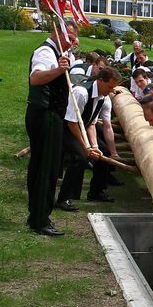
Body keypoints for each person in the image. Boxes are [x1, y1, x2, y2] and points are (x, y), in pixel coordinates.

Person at [25, 21, 77, 236]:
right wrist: (58, 69)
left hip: (51, 114)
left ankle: (37, 215)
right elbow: (36, 78)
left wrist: (67, 56)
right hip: (45, 115)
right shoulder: (46, 52)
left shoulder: (60, 53)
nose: (72, 42)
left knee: (45, 166)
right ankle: (40, 220)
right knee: (46, 168)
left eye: (74, 38)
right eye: (69, 37)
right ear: (57, 34)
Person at [56, 67, 123, 209]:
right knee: (80, 158)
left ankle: (96, 192)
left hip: (81, 127)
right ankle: (64, 198)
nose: (112, 91)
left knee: (104, 153)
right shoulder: (81, 93)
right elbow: (72, 123)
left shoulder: (103, 97)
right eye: (110, 86)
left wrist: (95, 147)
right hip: (65, 128)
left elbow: (91, 123)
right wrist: (85, 148)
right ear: (100, 81)